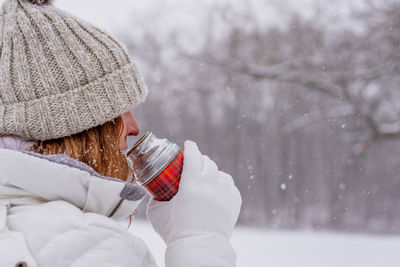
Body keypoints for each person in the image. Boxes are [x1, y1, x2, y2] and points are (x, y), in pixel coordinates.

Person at [0, 0, 242, 267]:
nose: (134, 127)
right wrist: (199, 238)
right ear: (71, 125)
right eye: (119, 111)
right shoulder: (93, 247)